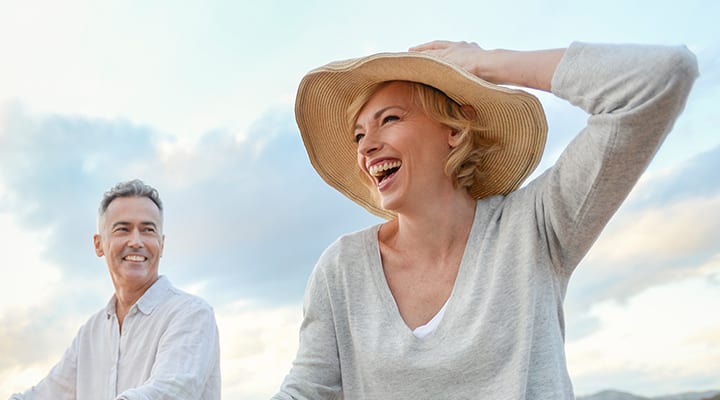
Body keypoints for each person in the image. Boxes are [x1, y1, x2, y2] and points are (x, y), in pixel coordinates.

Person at [273, 40, 698, 399]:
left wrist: (484, 64)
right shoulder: (342, 268)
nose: (367, 147)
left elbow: (662, 75)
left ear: (454, 131)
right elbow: (307, 391)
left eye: (390, 119)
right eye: (359, 135)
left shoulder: (535, 226)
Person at [10, 179, 221, 399]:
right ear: (99, 244)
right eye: (123, 229)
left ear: (162, 244)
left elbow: (169, 392)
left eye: (148, 230)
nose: (136, 241)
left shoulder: (192, 314)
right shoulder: (90, 334)